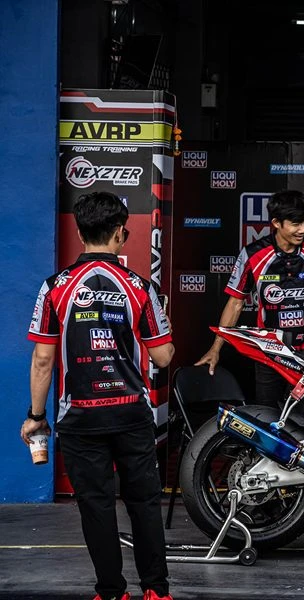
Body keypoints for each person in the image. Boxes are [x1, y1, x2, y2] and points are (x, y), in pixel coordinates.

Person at [21, 191, 175, 600]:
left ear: (79, 232)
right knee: (144, 503)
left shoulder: (55, 287)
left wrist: (35, 416)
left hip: (80, 417)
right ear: (121, 232)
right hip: (131, 413)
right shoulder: (140, 287)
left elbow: (42, 360)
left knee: (96, 506)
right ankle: (157, 591)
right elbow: (163, 356)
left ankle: (111, 593)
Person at [196, 190, 304, 408]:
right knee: (267, 416)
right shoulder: (253, 254)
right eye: (296, 224)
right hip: (269, 353)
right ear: (276, 223)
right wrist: (216, 348)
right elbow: (235, 303)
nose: (303, 229)